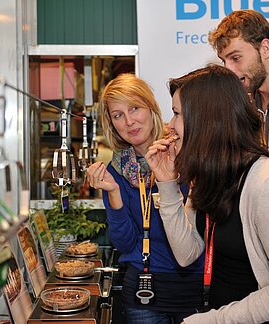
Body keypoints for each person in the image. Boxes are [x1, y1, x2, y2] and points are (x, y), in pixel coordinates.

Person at [145, 65, 269, 323]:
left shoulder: (265, 182)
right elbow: (187, 253)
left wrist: (215, 320)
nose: (170, 126)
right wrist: (167, 184)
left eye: (176, 114)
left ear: (205, 119)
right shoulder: (207, 176)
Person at [87, 73, 204, 324]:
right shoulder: (117, 170)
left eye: (134, 108)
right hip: (143, 292)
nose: (129, 121)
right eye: (118, 115)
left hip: (193, 287)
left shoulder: (181, 152)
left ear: (150, 106)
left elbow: (200, 230)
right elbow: (126, 245)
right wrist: (114, 194)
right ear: (112, 123)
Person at [208, 9, 269, 149]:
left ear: (265, 49)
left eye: (236, 58)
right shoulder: (245, 105)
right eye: (224, 61)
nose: (229, 69)